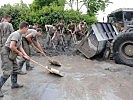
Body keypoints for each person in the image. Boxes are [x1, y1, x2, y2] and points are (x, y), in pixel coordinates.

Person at [0, 22, 30, 97]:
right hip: (6, 52)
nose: (27, 30)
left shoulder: (20, 35)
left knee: (15, 69)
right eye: (27, 28)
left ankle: (14, 84)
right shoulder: (16, 34)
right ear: (24, 27)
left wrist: (25, 55)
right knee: (7, 72)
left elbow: (20, 47)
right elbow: (12, 46)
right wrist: (19, 53)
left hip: (12, 52)